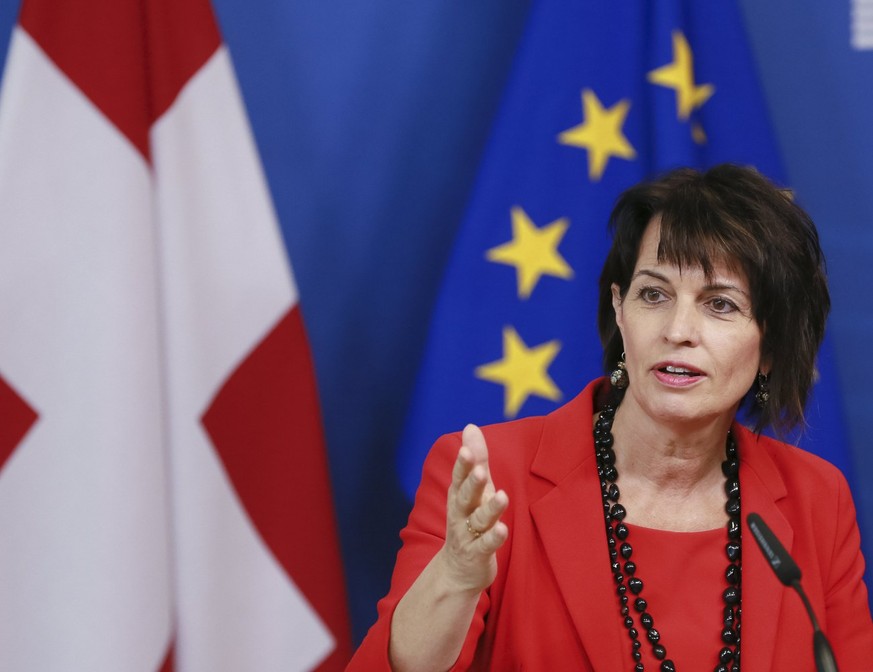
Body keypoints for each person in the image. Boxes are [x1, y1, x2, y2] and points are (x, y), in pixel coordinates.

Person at [347, 164, 873, 671]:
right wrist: (456, 578)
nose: (678, 329)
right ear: (620, 312)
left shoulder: (815, 503)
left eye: (720, 305)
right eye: (654, 294)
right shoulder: (493, 479)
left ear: (772, 345)